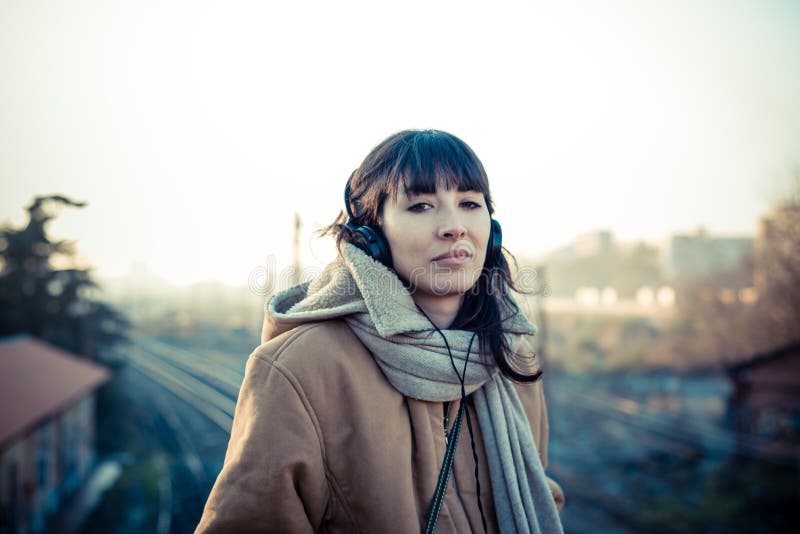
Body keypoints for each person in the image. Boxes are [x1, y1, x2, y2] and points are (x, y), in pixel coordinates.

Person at [196, 129, 565, 533]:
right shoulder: (298, 369)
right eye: (421, 205)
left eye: (469, 203)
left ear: (491, 231)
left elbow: (536, 492)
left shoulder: (510, 356)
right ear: (373, 236)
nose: (454, 226)